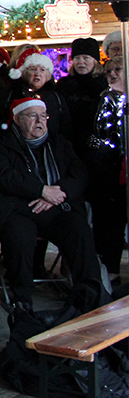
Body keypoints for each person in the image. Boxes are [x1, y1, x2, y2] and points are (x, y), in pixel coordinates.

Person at [0, 96, 103, 308]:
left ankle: (90, 294)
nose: (39, 121)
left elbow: (80, 174)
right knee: (19, 236)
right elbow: (2, 176)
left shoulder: (60, 144)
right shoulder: (1, 146)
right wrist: (41, 190)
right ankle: (22, 298)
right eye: (32, 116)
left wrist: (60, 192)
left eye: (43, 116)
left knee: (79, 229)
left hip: (57, 207)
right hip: (20, 210)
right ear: (18, 119)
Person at [88, 56, 126, 279]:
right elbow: (99, 132)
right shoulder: (105, 98)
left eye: (117, 69)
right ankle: (110, 271)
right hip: (110, 168)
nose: (112, 74)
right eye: (108, 71)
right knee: (110, 222)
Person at [57, 37, 108, 151]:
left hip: (96, 144)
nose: (81, 62)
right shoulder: (64, 84)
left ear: (95, 61)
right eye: (77, 58)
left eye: (86, 58)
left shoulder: (104, 84)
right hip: (69, 142)